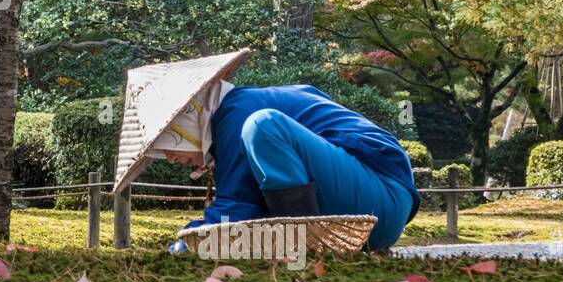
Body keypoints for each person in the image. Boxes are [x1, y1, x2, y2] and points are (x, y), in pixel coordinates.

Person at [174, 81, 419, 252]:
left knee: (264, 124)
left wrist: (186, 243)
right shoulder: (248, 101)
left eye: (163, 143)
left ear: (185, 120)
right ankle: (301, 244)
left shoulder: (236, 113)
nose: (169, 158)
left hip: (379, 194)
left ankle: (302, 249)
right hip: (381, 204)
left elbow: (236, 208)